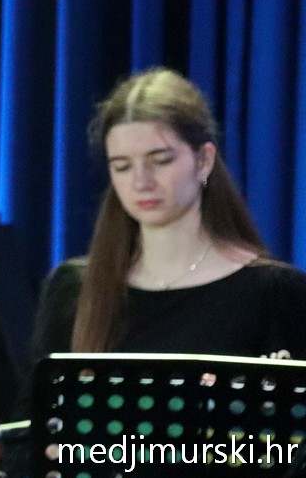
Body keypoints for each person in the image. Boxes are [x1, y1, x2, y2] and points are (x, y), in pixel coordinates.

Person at [28, 67, 306, 362]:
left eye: (161, 161)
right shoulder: (73, 289)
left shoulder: (273, 293)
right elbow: (38, 391)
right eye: (122, 167)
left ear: (204, 160)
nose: (141, 182)